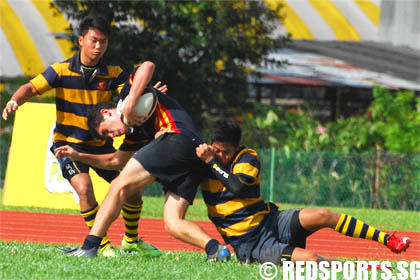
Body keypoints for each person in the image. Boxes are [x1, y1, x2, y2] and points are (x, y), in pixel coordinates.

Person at [2, 14, 161, 257]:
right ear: (81, 40)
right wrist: (15, 100)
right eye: (94, 40)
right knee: (84, 188)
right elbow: (31, 87)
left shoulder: (113, 72)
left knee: (132, 191)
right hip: (68, 145)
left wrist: (147, 96)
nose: (98, 47)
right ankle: (103, 245)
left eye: (103, 42)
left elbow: (130, 95)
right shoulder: (60, 70)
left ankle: (131, 240)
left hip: (102, 146)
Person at [56, 66, 231, 261]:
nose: (112, 136)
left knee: (119, 186)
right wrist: (78, 155)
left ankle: (89, 247)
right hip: (195, 155)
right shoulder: (136, 134)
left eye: (106, 131)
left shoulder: (126, 97)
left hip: (178, 139)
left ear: (107, 113)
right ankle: (215, 249)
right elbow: (115, 161)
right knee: (173, 223)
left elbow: (147, 66)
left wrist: (131, 103)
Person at [195, 118, 412, 264]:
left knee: (323, 214)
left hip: (270, 220)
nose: (221, 155)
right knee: (312, 259)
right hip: (250, 244)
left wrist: (212, 162)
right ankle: (350, 271)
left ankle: (387, 239)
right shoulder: (203, 160)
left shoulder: (247, 156)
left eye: (226, 152)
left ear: (237, 146)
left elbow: (238, 187)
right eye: (217, 151)